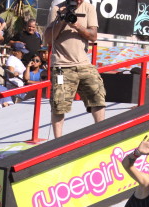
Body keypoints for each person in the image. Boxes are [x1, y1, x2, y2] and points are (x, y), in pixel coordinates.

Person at [44, 0, 106, 138]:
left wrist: (77, 25)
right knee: (59, 104)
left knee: (98, 97)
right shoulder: (56, 9)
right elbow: (48, 39)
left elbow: (93, 36)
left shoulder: (89, 8)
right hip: (61, 66)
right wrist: (62, 21)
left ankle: (101, 135)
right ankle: (58, 143)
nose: (78, 1)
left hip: (84, 64)